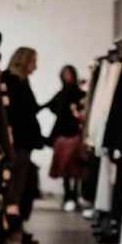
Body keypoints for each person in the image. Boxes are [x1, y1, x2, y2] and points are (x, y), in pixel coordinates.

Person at [1, 47, 45, 244]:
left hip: (22, 145)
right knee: (14, 194)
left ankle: (15, 238)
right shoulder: (10, 82)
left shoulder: (19, 82)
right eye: (33, 61)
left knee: (19, 191)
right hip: (16, 146)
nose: (35, 66)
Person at [45, 64, 86, 210]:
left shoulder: (79, 94)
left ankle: (74, 195)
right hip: (62, 133)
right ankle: (68, 194)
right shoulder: (61, 95)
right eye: (65, 74)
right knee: (65, 167)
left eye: (69, 74)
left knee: (76, 166)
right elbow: (50, 106)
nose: (67, 77)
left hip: (75, 133)